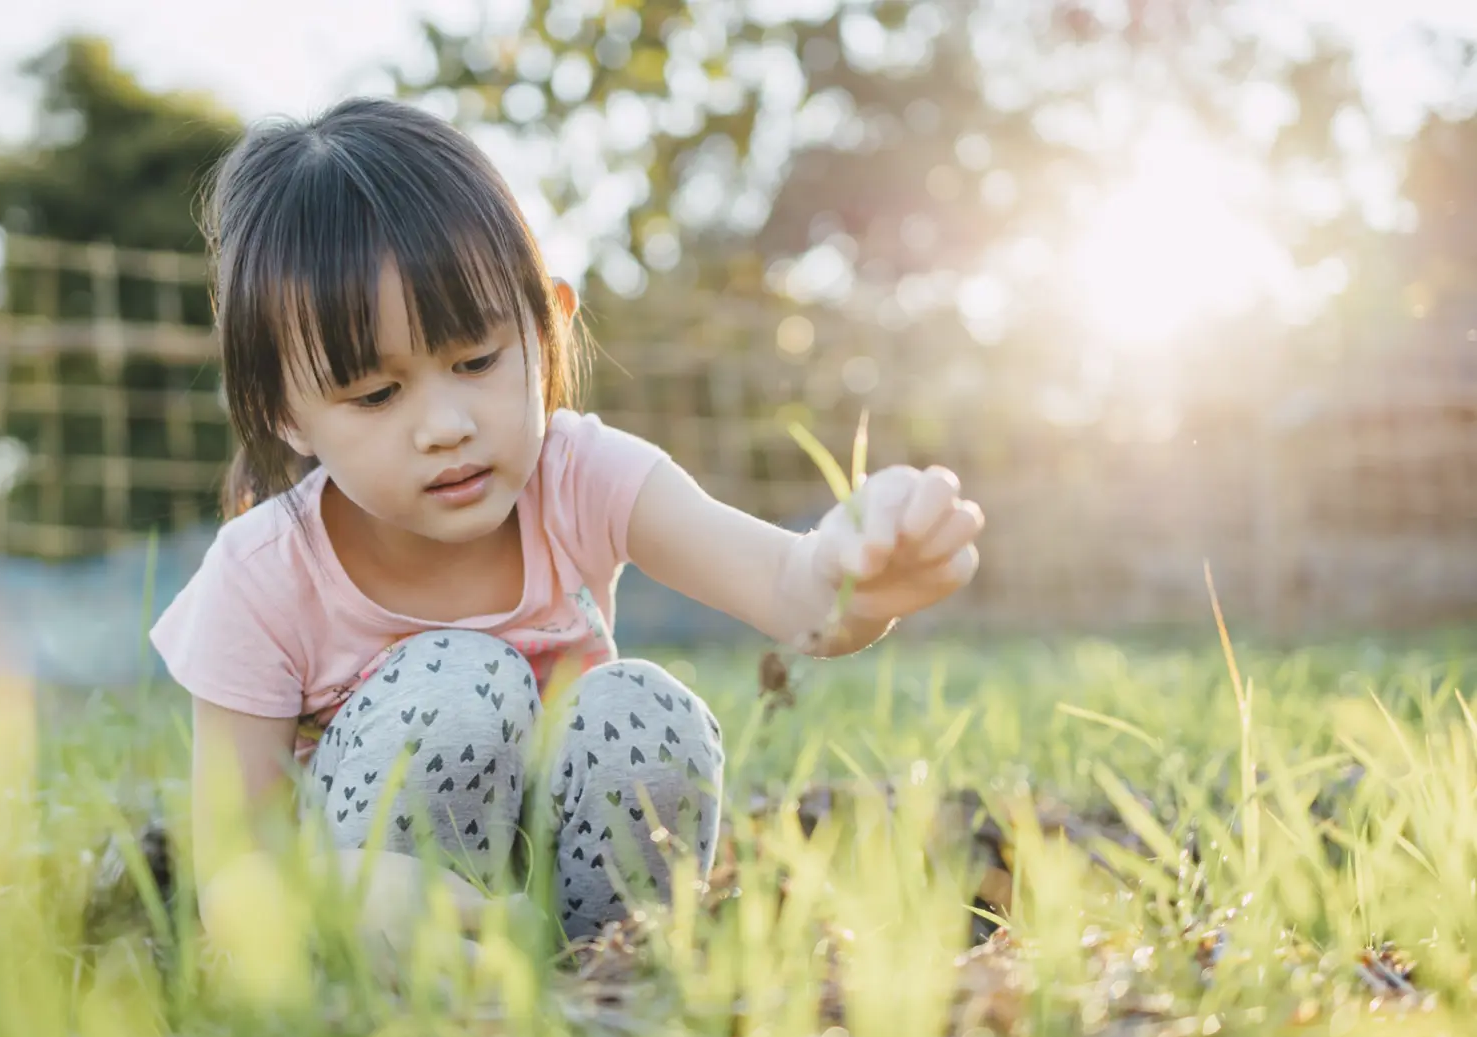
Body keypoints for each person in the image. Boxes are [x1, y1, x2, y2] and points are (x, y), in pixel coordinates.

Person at [150, 97, 984, 948]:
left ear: (546, 325)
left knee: (642, 708)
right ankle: (436, 989)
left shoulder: (582, 475)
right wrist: (359, 904)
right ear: (285, 414)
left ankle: (612, 970)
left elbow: (786, 585)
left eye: (476, 361)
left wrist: (859, 573)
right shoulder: (262, 576)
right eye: (375, 395)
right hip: (375, 918)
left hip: (569, 888)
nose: (445, 424)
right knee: (457, 685)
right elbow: (234, 871)